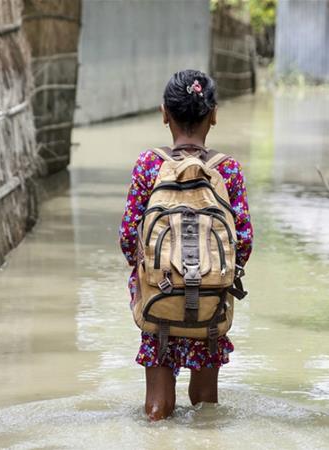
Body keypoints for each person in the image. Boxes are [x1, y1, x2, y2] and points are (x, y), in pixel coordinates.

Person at [119, 69, 253, 420]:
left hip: (159, 294)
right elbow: (245, 242)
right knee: (206, 406)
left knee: (157, 407)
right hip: (210, 299)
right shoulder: (228, 170)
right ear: (214, 115)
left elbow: (129, 236)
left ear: (165, 113)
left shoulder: (149, 165)